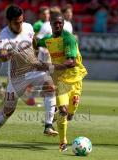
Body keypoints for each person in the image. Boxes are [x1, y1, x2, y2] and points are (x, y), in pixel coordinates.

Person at [0, 5, 58, 146]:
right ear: (9, 21)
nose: (19, 25)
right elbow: (2, 55)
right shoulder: (4, 36)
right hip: (17, 77)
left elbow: (33, 39)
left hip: (34, 69)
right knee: (8, 111)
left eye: (21, 21)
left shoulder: (28, 27)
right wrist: (7, 54)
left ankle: (48, 125)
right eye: (16, 23)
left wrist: (37, 48)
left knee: (50, 87)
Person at [36, 12, 87, 151]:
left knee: (70, 115)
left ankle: (56, 116)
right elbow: (36, 43)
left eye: (60, 23)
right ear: (50, 24)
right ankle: (63, 142)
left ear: (63, 24)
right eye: (55, 23)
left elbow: (71, 62)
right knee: (63, 110)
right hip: (60, 80)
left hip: (75, 78)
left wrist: (47, 66)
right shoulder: (48, 40)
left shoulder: (68, 39)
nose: (57, 25)